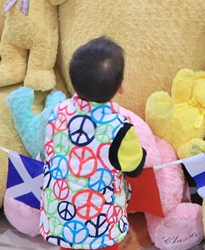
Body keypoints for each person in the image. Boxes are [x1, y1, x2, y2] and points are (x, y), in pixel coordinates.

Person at [40, 36, 146, 249]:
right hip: (101, 224)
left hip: (60, 217)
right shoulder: (120, 127)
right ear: (120, 87)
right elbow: (134, 168)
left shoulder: (57, 112)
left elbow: (49, 151)